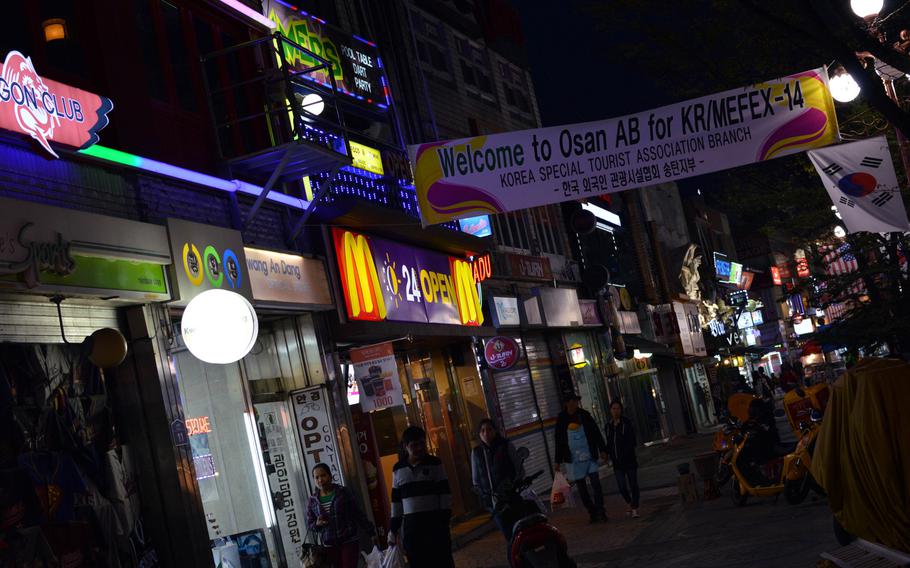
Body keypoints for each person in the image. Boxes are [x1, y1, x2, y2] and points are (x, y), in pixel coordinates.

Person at [388, 426, 455, 568]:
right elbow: (396, 503)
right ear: (406, 447)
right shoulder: (398, 469)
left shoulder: (435, 464)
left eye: (421, 443)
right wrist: (393, 530)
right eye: (414, 445)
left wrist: (444, 521)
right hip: (412, 530)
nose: (419, 448)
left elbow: (445, 494)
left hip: (436, 527)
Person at [304, 463, 375, 568]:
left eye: (323, 475)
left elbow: (357, 513)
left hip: (349, 540)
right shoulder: (313, 500)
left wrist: (370, 531)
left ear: (330, 476)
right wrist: (317, 524)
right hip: (329, 545)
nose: (320, 480)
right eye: (316, 477)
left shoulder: (343, 492)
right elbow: (310, 524)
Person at [554, 393, 608, 523]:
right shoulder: (561, 419)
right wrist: (557, 461)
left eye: (576, 401)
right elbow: (559, 440)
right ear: (567, 403)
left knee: (596, 483)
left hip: (589, 455)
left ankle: (601, 510)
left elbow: (596, 432)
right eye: (572, 401)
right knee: (582, 488)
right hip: (572, 459)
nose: (575, 403)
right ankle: (592, 511)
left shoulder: (584, 415)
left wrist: (603, 449)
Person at [471, 418, 524, 539]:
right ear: (479, 434)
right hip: (494, 502)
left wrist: (515, 483)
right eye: (482, 430)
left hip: (511, 496)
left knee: (521, 527)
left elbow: (518, 468)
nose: (486, 433)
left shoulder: (505, 445)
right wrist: (483, 493)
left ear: (495, 430)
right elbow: (476, 480)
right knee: (508, 534)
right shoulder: (477, 452)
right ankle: (515, 555)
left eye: (489, 429)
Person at [604, 400, 640, 518]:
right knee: (622, 487)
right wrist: (607, 453)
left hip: (629, 460)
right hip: (617, 462)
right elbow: (609, 443)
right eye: (613, 409)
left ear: (621, 409)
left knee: (633, 484)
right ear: (610, 410)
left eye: (618, 408)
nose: (616, 411)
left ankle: (634, 508)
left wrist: (626, 451)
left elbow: (632, 440)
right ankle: (629, 502)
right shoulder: (608, 426)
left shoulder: (626, 423)